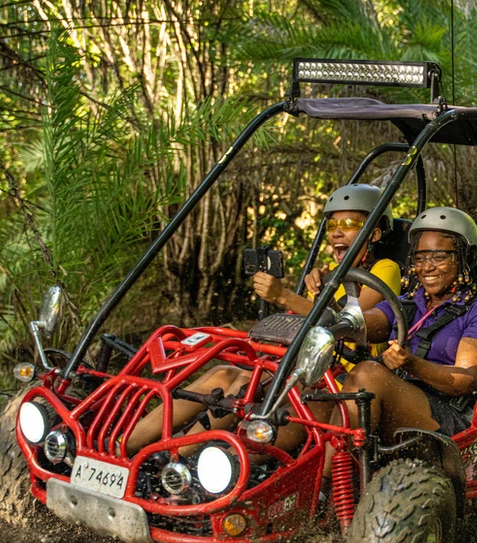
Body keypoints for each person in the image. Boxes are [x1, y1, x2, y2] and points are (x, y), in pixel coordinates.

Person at [125, 183, 401, 456]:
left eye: (350, 223)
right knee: (222, 375)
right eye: (331, 226)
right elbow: (306, 325)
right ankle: (127, 449)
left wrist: (283, 296)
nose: (337, 232)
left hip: (338, 381)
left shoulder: (384, 269)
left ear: (374, 233)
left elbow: (350, 323)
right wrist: (317, 292)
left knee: (245, 388)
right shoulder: (329, 275)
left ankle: (177, 458)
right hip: (299, 372)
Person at [333, 207, 477, 442]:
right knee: (319, 393)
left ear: (464, 257)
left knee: (367, 374)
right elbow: (363, 325)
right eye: (420, 258)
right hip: (399, 396)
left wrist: (411, 363)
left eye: (439, 257)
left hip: (451, 416)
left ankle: (324, 478)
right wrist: (331, 314)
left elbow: (466, 380)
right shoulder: (408, 302)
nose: (427, 267)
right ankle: (276, 470)